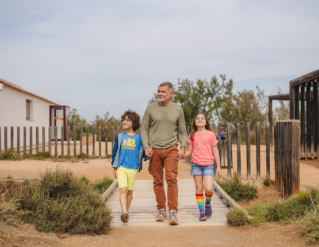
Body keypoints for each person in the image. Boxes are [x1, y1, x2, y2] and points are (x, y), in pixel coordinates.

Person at [140, 82, 187, 225]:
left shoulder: (178, 109)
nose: (160, 94)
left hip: (171, 148)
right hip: (154, 149)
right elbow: (144, 129)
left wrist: (183, 146)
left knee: (171, 179)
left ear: (171, 93)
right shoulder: (150, 108)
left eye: (163, 92)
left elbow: (182, 131)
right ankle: (161, 209)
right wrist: (146, 146)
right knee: (157, 181)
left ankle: (173, 211)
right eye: (159, 91)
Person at [184, 113, 221, 221]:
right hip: (196, 165)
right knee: (199, 188)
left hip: (208, 165)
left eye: (202, 118)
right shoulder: (192, 135)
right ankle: (201, 212)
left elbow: (215, 151)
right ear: (195, 122)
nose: (200, 119)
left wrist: (218, 166)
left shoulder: (211, 134)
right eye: (197, 118)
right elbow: (189, 151)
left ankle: (208, 204)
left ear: (206, 122)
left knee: (208, 189)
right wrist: (181, 154)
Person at [111, 110, 144, 223]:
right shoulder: (119, 136)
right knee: (123, 190)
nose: (124, 122)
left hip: (133, 168)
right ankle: (124, 211)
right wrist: (114, 167)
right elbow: (115, 152)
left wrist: (148, 154)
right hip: (121, 167)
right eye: (123, 120)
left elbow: (142, 152)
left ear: (134, 123)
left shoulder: (139, 138)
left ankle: (126, 212)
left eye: (127, 120)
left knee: (129, 191)